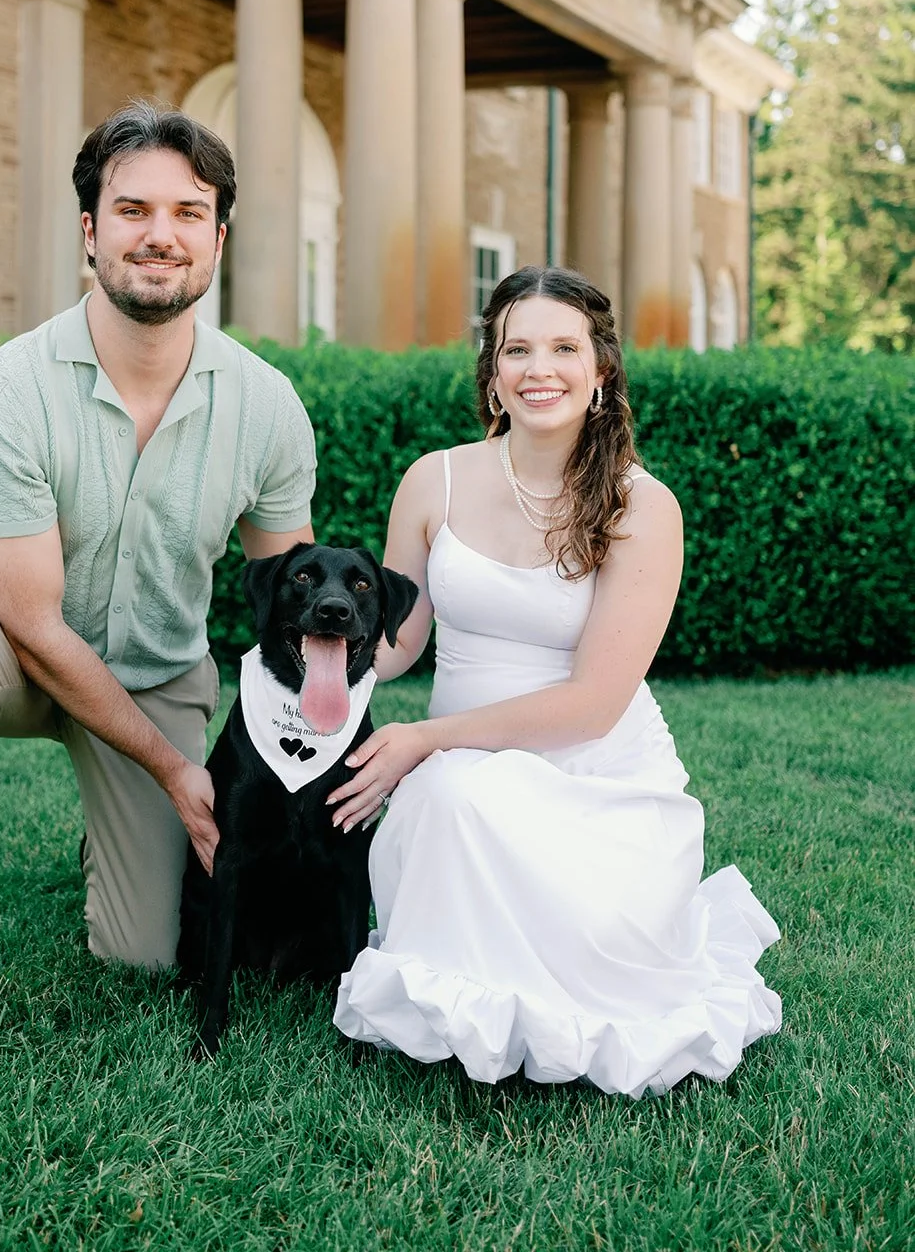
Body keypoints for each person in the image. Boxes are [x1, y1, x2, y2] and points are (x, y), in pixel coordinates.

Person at [0, 102, 316, 1101]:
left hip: (157, 672)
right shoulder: (6, 388)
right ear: (91, 229)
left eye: (190, 212)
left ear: (218, 237)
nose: (161, 233)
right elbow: (31, 620)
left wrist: (299, 754)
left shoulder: (267, 405)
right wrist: (171, 769)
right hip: (13, 650)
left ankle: (113, 844)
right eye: (133, 207)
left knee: (146, 955)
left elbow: (292, 603)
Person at [329, 265, 781, 1098]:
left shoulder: (640, 506)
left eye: (563, 348)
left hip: (591, 773)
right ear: (492, 374)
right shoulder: (436, 479)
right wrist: (316, 656)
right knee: (454, 798)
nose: (540, 369)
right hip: (459, 768)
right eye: (517, 350)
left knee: (458, 795)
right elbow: (392, 645)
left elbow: (594, 703)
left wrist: (423, 741)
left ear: (600, 369)